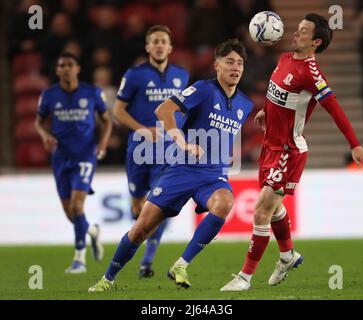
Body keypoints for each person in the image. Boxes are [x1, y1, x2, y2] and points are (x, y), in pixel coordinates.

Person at [220, 13, 363, 291]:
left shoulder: (312, 74)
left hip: (289, 150)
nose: (295, 33)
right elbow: (279, 93)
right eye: (298, 29)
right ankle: (288, 255)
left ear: (315, 41)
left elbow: (334, 109)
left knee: (261, 211)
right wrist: (267, 110)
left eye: (303, 32)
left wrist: (355, 144)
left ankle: (245, 277)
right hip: (270, 145)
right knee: (274, 208)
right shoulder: (285, 59)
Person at [88, 38, 254, 292]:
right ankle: (108, 278)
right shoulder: (203, 89)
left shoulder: (245, 103)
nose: (236, 67)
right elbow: (164, 110)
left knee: (224, 203)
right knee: (141, 229)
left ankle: (181, 264)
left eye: (240, 63)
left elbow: (224, 133)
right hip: (182, 169)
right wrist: (183, 142)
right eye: (229, 61)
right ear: (217, 65)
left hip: (212, 175)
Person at [112, 25, 189, 278]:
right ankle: (139, 242)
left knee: (160, 205)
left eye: (163, 41)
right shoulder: (134, 75)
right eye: (154, 41)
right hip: (140, 149)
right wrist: (140, 128)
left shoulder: (182, 76)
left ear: (170, 47)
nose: (158, 45)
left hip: (168, 151)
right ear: (148, 47)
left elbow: (185, 111)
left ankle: (147, 260)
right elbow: (118, 110)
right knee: (138, 206)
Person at [34, 52, 112, 273]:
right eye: (62, 65)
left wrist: (103, 143)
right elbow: (38, 122)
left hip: (85, 154)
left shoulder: (93, 92)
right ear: (57, 70)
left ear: (77, 69)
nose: (66, 68)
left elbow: (107, 122)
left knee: (78, 206)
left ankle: (79, 259)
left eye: (70, 65)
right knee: (71, 213)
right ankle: (92, 232)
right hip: (60, 156)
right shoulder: (49, 95)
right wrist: (44, 135)